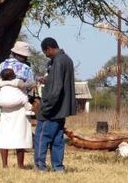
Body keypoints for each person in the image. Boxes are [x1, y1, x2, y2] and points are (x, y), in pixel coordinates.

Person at [0, 41, 35, 169]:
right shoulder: (26, 68)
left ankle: (5, 165)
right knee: (20, 136)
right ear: (20, 55)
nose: (25, 58)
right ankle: (20, 165)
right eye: (25, 56)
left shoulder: (1, 65)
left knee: (4, 136)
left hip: (4, 108)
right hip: (20, 108)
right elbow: (30, 89)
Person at [34, 37, 76, 172]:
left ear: (49, 48)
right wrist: (47, 80)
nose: (46, 55)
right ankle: (58, 167)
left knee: (42, 137)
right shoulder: (67, 59)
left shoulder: (57, 61)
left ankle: (40, 167)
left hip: (51, 109)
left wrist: (45, 107)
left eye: (45, 52)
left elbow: (56, 88)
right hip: (61, 109)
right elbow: (59, 81)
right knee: (58, 139)